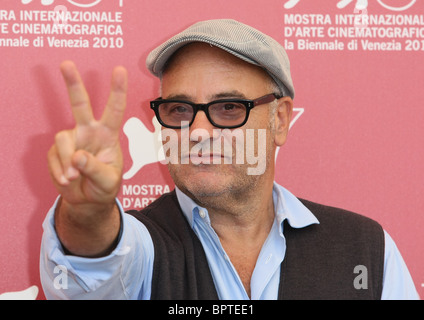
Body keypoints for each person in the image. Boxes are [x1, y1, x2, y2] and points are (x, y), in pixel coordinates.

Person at [40, 19, 419, 300]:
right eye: (179, 109)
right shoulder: (145, 246)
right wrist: (88, 209)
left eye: (228, 107)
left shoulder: (366, 249)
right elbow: (92, 266)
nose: (198, 132)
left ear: (281, 120)